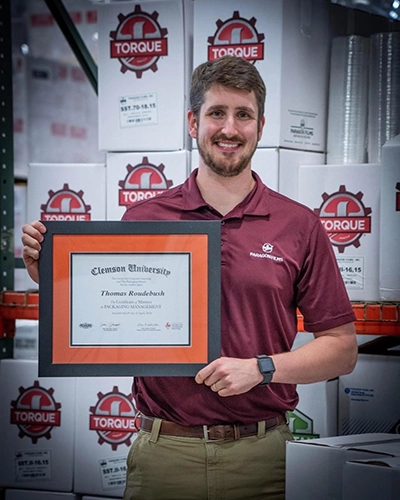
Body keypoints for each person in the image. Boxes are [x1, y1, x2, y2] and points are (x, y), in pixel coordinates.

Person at [22, 56, 357, 500]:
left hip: (266, 458)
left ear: (261, 125)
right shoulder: (144, 218)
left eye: (244, 115)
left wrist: (262, 369)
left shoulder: (298, 225)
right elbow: (110, 321)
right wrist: (57, 283)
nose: (230, 129)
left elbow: (342, 348)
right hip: (165, 457)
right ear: (192, 121)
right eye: (217, 113)